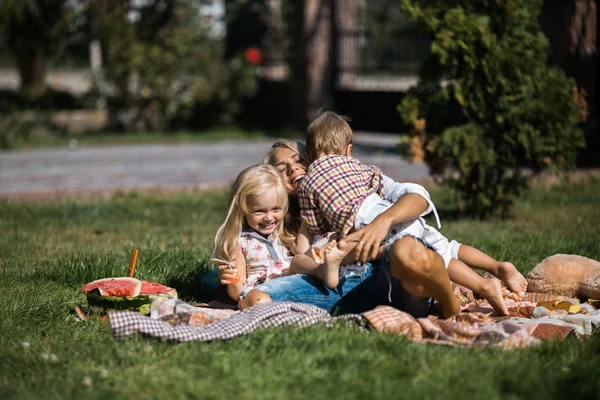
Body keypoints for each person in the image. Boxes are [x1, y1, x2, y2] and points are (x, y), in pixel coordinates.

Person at [297, 111, 527, 316]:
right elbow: (378, 182)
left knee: (438, 259)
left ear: (308, 155)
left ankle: (484, 286)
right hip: (391, 212)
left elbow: (316, 224)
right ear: (348, 150)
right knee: (446, 248)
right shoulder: (358, 166)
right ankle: (497, 267)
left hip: (368, 224)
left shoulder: (308, 182)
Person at [214, 139, 462, 319]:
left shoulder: (352, 186)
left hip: (377, 274)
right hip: (328, 288)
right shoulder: (281, 226)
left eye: (299, 160)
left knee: (406, 251)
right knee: (259, 298)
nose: (293, 169)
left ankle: (448, 303)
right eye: (281, 169)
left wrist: (381, 223)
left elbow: (417, 196)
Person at [211, 164, 293, 306]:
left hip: (292, 284)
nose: (268, 217)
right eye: (259, 211)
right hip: (262, 292)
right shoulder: (240, 241)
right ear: (242, 209)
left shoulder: (286, 231)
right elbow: (237, 291)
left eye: (276, 209)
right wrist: (233, 279)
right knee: (259, 301)